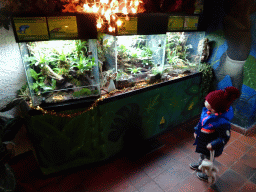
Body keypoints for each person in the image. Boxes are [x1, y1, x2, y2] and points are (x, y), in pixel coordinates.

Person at [189, 86, 241, 182]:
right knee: (202, 155)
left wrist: (213, 144)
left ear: (215, 109)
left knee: (208, 160)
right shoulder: (206, 112)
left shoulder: (222, 122)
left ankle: (207, 174)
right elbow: (201, 123)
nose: (205, 103)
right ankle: (201, 165)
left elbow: (225, 137)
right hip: (203, 141)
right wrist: (196, 131)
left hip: (211, 145)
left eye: (208, 103)